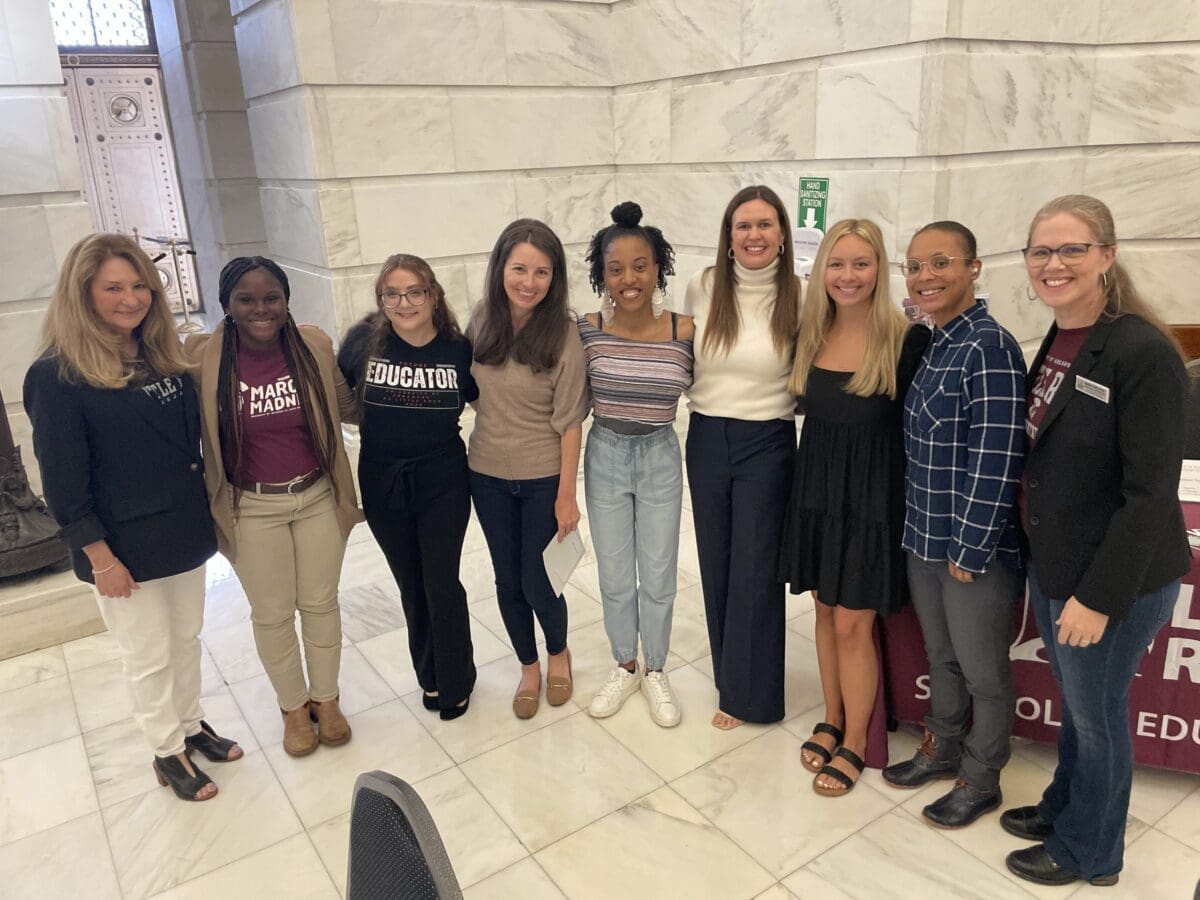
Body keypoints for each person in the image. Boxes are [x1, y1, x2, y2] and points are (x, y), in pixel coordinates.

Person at [1002, 195, 1190, 887]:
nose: (1054, 264)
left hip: (1113, 581)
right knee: (1080, 709)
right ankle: (1065, 807)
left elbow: (1149, 496)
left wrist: (1097, 597)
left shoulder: (1142, 352)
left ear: (1107, 255)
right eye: (1041, 252)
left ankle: (1090, 853)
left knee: (1099, 717)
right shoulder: (1062, 335)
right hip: (1059, 564)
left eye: (1071, 249)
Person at [24, 233, 240, 802]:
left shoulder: (160, 355)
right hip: (121, 546)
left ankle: (192, 724)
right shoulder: (57, 376)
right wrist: (100, 559)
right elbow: (64, 482)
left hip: (183, 532)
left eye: (139, 284)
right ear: (83, 294)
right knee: (148, 654)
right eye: (113, 287)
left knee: (187, 637)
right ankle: (167, 750)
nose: (131, 298)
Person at [185, 256, 362, 757]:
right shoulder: (203, 358)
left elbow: (350, 405)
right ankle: (292, 709)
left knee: (322, 603)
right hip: (250, 506)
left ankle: (326, 701)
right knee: (273, 613)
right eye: (247, 299)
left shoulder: (313, 345)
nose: (261, 309)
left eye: (272, 298)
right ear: (227, 306)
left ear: (286, 302)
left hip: (316, 497)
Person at [881, 221, 1026, 829]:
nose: (924, 276)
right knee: (941, 655)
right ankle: (941, 744)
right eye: (914, 266)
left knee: (983, 671)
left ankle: (982, 773)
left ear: (974, 267)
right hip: (925, 536)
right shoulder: (938, 340)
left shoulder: (989, 347)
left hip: (971, 550)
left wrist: (969, 549)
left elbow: (996, 459)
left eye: (939, 262)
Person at [779, 219, 931, 795]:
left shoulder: (906, 339)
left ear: (880, 269)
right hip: (818, 493)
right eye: (837, 264)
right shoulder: (809, 334)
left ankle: (856, 738)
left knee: (852, 623)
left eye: (861, 264)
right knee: (822, 611)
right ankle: (832, 715)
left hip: (872, 502)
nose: (848, 276)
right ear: (822, 272)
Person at [338, 254, 478, 721]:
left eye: (414, 291)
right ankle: (431, 677)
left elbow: (493, 401)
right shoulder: (362, 343)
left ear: (433, 294)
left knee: (441, 582)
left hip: (444, 481)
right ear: (381, 300)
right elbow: (339, 400)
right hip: (382, 481)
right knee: (410, 585)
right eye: (392, 294)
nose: (404, 303)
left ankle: (457, 678)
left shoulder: (459, 350)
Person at [684, 185, 801, 729]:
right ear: (728, 238)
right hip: (707, 435)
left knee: (755, 568)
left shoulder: (801, 295)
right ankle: (731, 681)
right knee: (717, 562)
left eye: (764, 225)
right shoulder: (704, 287)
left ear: (782, 235)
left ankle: (754, 697)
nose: (753, 235)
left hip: (767, 441)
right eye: (742, 226)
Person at [578, 202, 695, 727]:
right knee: (615, 575)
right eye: (616, 268)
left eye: (641, 265)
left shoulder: (684, 330)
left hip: (659, 454)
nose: (630, 278)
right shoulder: (586, 328)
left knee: (660, 574)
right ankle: (624, 664)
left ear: (659, 268)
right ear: (601, 274)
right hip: (604, 452)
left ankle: (657, 670)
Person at [467, 219, 589, 719]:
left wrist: (566, 494)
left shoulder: (564, 334)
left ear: (554, 277)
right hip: (487, 474)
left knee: (539, 579)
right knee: (507, 580)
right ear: (501, 269)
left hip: (542, 478)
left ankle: (559, 655)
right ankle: (529, 666)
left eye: (541, 272)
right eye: (519, 268)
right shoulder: (481, 321)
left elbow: (571, 423)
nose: (528, 282)